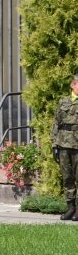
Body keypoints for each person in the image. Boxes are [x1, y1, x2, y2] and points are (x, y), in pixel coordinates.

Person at [51, 74, 78, 222]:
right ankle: (70, 208)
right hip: (64, 144)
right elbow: (56, 123)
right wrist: (54, 144)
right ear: (73, 85)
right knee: (67, 178)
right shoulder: (63, 102)